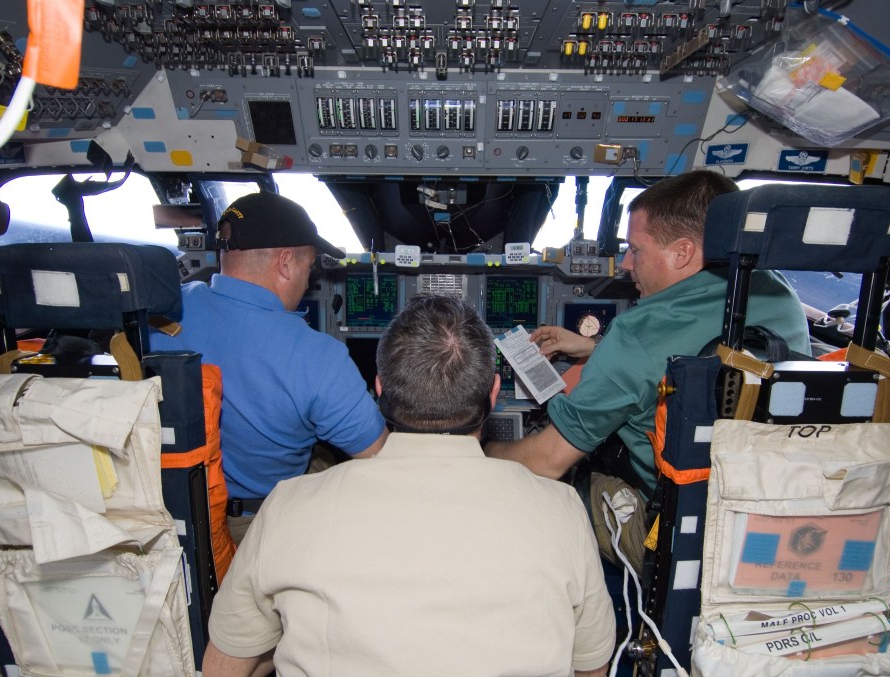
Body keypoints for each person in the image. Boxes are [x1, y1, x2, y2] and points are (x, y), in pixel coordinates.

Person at [202, 295, 616, 677]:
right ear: (492, 394)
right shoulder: (561, 509)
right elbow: (591, 666)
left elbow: (227, 661)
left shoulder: (287, 507)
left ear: (379, 390)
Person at [485, 170, 811, 564]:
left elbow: (545, 462)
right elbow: (704, 345)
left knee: (567, 484)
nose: (624, 263)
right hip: (772, 513)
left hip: (673, 532)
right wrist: (594, 348)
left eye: (634, 249)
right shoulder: (779, 292)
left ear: (683, 252)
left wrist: (481, 448)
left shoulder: (636, 334)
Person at [149, 191, 387, 542]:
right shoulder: (317, 357)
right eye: (309, 267)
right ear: (286, 262)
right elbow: (379, 459)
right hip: (257, 527)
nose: (309, 280)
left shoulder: (161, 313)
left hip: (168, 510)